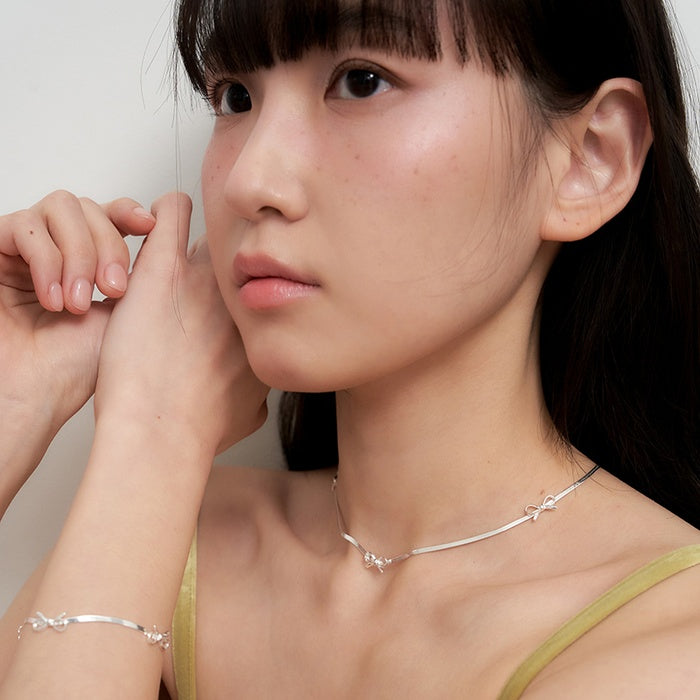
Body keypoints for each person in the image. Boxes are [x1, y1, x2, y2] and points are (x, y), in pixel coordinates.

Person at [1, 0, 699, 697]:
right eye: (236, 97)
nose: (249, 181)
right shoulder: (161, 529)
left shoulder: (667, 641)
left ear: (589, 159)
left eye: (362, 82)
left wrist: (154, 431)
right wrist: (15, 404)